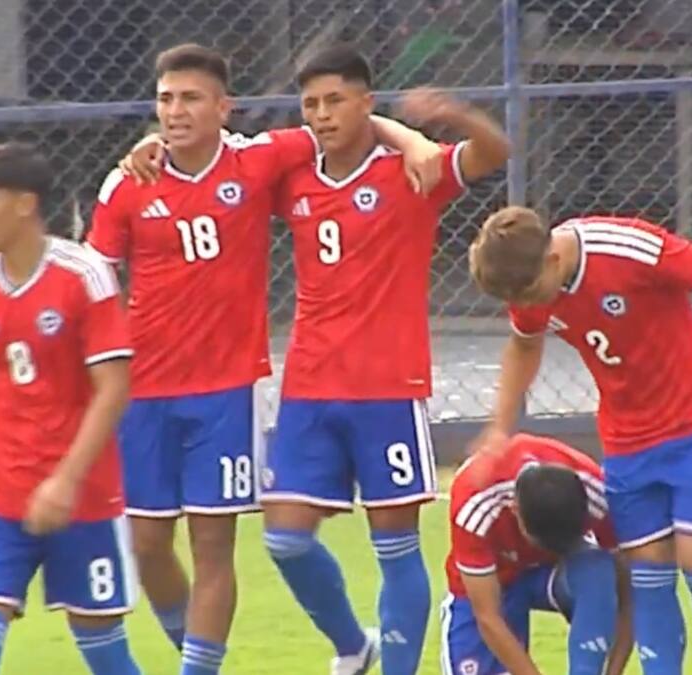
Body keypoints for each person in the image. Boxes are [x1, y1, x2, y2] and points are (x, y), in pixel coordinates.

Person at [92, 43, 442, 675]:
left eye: (192, 98)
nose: (176, 111)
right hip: (142, 391)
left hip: (226, 389)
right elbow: (95, 282)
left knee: (215, 543)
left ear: (224, 108)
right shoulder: (127, 183)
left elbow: (349, 121)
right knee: (146, 546)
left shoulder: (260, 159)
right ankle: (336, 649)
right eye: (166, 99)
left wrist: (411, 139)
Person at [258, 46, 510, 675]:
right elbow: (221, 165)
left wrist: (448, 116)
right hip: (309, 387)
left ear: (365, 103)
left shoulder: (413, 172)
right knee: (284, 537)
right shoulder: (291, 174)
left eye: (335, 100)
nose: (322, 115)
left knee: (395, 547)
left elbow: (494, 154)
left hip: (387, 389)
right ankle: (352, 644)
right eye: (311, 104)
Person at [468, 209, 692, 675]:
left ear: (554, 259)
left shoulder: (625, 248)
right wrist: (500, 425)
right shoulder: (531, 284)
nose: (528, 303)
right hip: (626, 442)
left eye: (531, 292)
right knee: (648, 575)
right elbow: (524, 343)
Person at [0, 143, 141, 675]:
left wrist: (66, 481)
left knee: (106, 651)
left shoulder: (84, 275)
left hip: (84, 498)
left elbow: (113, 388)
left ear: (25, 204)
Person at [443, 432, 633, 675]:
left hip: (555, 574)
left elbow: (629, 596)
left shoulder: (596, 493)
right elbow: (487, 616)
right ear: (515, 510)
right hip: (493, 582)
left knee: (597, 572)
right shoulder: (475, 504)